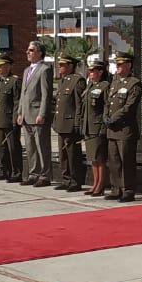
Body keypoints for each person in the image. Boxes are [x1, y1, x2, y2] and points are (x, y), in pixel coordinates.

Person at [104, 53, 141, 202]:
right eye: (116, 64)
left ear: (128, 65)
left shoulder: (134, 83)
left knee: (126, 161)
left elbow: (129, 106)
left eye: (120, 64)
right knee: (114, 161)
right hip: (112, 129)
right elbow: (108, 102)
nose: (117, 67)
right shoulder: (115, 82)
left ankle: (128, 190)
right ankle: (116, 188)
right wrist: (105, 116)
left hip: (125, 129)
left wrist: (114, 118)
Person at [17, 39, 53, 187]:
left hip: (37, 114)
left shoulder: (44, 70)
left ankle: (44, 175)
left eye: (31, 50)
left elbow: (46, 94)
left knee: (41, 146)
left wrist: (42, 113)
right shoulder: (27, 70)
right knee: (30, 147)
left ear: (39, 53)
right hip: (26, 114)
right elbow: (23, 93)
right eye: (28, 50)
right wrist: (20, 112)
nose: (28, 52)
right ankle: (33, 173)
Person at [52, 53, 86, 192]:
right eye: (59, 65)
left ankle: (75, 181)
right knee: (63, 154)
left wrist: (77, 123)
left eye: (62, 65)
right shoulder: (62, 81)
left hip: (71, 124)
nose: (59, 67)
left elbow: (79, 104)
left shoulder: (78, 81)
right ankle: (66, 179)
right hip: (61, 124)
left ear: (71, 66)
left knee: (73, 155)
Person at [0, 51, 22, 182]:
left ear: (8, 66)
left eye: (1, 66)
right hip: (0, 118)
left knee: (13, 147)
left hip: (10, 119)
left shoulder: (14, 81)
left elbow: (17, 102)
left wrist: (15, 119)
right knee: (1, 147)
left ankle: (16, 172)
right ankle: (4, 170)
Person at [81, 54, 109, 196]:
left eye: (93, 71)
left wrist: (103, 127)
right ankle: (95, 183)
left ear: (100, 72)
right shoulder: (90, 86)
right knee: (92, 158)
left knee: (100, 158)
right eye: (89, 71)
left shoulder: (105, 86)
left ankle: (100, 185)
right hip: (88, 126)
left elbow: (106, 108)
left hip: (98, 126)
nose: (90, 73)